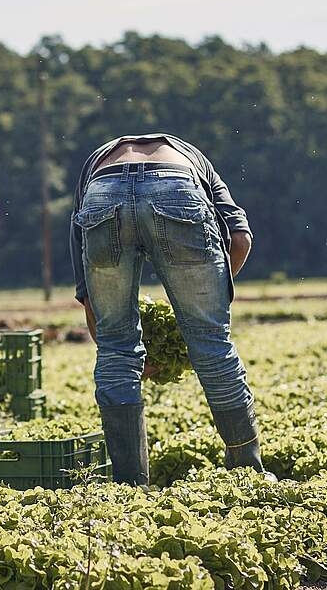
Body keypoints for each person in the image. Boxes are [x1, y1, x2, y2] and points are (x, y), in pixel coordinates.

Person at [70, 135, 259, 486]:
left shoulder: (94, 165)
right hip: (176, 187)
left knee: (115, 349)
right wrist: (205, 301)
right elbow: (240, 239)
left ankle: (130, 484)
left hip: (103, 192)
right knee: (212, 344)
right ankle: (248, 470)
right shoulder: (195, 158)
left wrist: (120, 350)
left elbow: (89, 296)